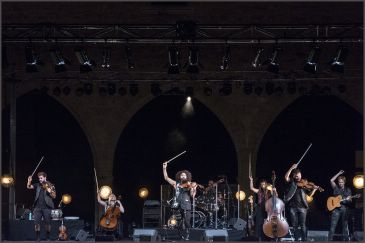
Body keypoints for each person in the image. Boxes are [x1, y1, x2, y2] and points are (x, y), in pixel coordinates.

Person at [163, 161, 198, 240]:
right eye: (181, 175)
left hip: (186, 205)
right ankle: (180, 233)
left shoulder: (189, 184)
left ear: (187, 177)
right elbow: (166, 178)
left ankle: (188, 234)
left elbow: (192, 195)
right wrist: (164, 168)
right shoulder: (176, 184)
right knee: (177, 222)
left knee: (187, 221)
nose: (183, 176)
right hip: (177, 205)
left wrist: (193, 189)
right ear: (179, 176)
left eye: (184, 175)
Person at [284, 163, 318, 242]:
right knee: (295, 226)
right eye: (295, 175)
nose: (297, 176)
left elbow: (309, 195)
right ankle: (296, 240)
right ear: (293, 176)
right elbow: (286, 177)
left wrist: (314, 189)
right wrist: (291, 168)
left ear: (300, 175)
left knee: (303, 225)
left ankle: (304, 240)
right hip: (293, 207)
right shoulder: (292, 182)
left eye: (298, 174)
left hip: (303, 207)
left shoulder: (305, 183)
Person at [27, 172, 56, 241]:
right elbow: (29, 187)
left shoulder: (50, 185)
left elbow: (54, 196)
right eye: (39, 178)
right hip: (37, 207)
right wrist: (29, 181)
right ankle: (38, 237)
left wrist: (49, 190)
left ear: (45, 178)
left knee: (48, 223)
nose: (40, 179)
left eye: (41, 178)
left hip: (47, 207)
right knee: (36, 223)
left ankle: (48, 237)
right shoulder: (38, 185)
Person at [328, 170, 352, 241]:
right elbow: (331, 180)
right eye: (339, 182)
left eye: (341, 182)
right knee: (332, 226)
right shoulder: (336, 188)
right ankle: (329, 240)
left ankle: (346, 240)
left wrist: (348, 199)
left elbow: (350, 200)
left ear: (344, 182)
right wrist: (338, 173)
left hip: (344, 209)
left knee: (344, 226)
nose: (340, 183)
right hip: (336, 210)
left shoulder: (348, 190)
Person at [249, 176, 275, 241]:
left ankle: (268, 236)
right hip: (260, 208)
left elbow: (274, 196)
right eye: (261, 184)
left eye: (264, 184)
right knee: (259, 224)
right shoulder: (259, 191)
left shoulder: (269, 191)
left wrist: (273, 189)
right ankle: (259, 238)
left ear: (266, 184)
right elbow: (251, 188)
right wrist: (251, 180)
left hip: (267, 209)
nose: (263, 185)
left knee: (268, 223)